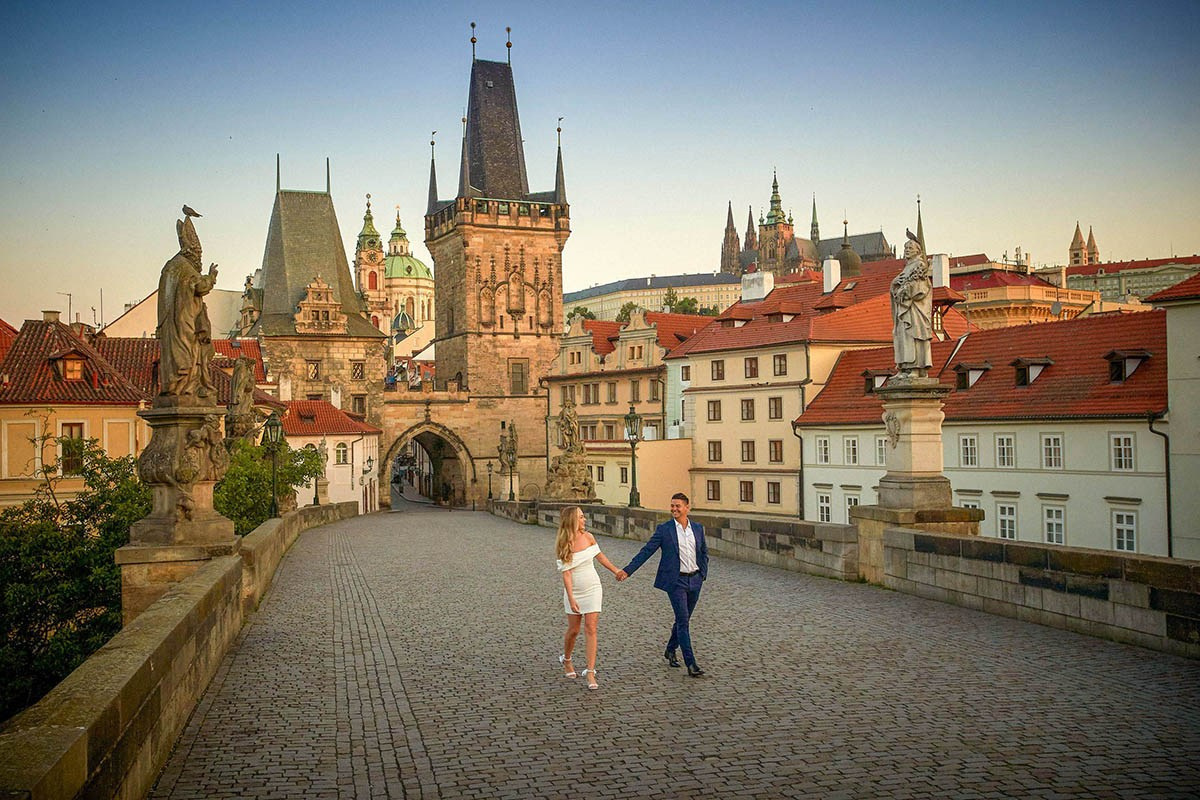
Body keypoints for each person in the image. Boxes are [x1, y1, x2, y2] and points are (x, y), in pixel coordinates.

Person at [616, 492, 709, 677]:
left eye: (678, 506)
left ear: (687, 508)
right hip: (676, 581)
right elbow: (647, 551)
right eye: (672, 505)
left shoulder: (697, 528)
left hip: (695, 579)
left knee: (684, 619)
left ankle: (670, 649)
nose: (674, 509)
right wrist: (628, 570)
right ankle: (691, 663)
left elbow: (704, 552)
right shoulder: (664, 529)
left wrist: (703, 574)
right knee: (683, 620)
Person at [556, 506, 621, 689]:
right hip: (574, 590)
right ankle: (567, 659)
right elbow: (566, 574)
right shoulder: (564, 542)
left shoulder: (589, 537)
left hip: (593, 587)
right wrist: (571, 597)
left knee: (591, 627)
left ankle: (590, 672)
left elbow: (600, 557)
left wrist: (616, 571)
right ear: (572, 520)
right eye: (581, 517)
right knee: (574, 630)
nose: (584, 520)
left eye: (584, 516)